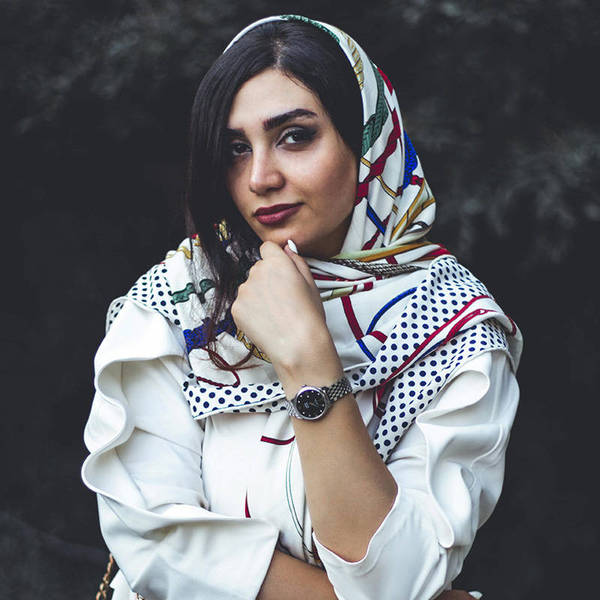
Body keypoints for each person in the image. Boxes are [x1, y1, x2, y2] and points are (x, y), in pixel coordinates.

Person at [82, 15, 522, 600]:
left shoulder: (455, 327)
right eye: (236, 149)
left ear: (367, 143)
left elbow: (398, 577)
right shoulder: (178, 303)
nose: (259, 177)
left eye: (294, 136)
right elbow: (158, 545)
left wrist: (309, 360)